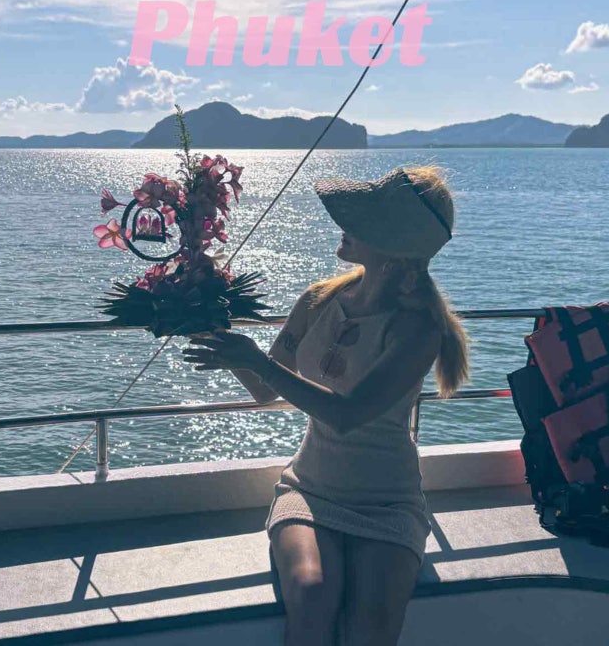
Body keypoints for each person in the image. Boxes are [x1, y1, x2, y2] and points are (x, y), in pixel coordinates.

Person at [182, 164, 470, 645]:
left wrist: (258, 361)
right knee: (312, 595)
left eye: (363, 221)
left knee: (371, 624)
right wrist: (214, 335)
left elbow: (346, 414)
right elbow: (265, 388)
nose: (345, 225)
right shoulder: (317, 300)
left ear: (394, 245)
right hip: (310, 490)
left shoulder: (417, 329)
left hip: (389, 502)